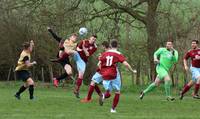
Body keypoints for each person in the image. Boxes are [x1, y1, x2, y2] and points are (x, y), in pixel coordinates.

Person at [97, 39, 135, 113]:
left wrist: (102, 71)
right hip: (113, 73)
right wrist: (132, 70)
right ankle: (113, 109)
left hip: (105, 74)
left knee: (108, 92)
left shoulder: (105, 53)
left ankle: (103, 96)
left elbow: (99, 64)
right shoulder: (118, 53)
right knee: (117, 91)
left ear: (110, 45)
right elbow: (126, 64)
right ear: (117, 45)